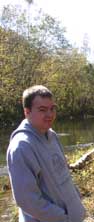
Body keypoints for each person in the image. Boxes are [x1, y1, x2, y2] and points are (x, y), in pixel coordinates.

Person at [6, 85, 86, 222]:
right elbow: (27, 201)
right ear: (27, 112)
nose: (50, 114)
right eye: (42, 110)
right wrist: (63, 218)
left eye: (52, 108)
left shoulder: (52, 135)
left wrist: (76, 204)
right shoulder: (21, 147)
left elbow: (63, 174)